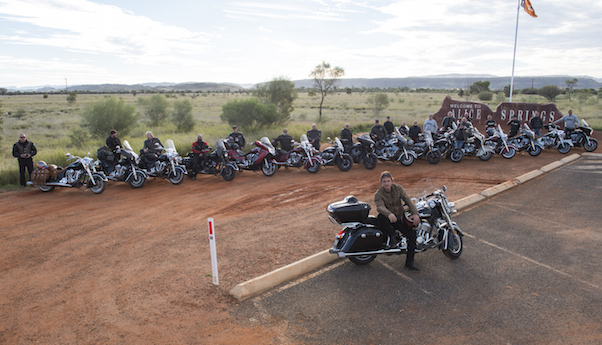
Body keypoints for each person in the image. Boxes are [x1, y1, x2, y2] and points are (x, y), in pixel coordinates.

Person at [374, 171, 421, 271]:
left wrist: (415, 213)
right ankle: (392, 237)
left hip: (398, 218)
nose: (386, 183)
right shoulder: (378, 194)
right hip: (387, 220)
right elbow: (380, 207)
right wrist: (389, 214)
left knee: (412, 235)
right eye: (384, 181)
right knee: (381, 216)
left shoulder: (398, 188)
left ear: (392, 181)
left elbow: (407, 200)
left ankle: (409, 263)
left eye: (388, 181)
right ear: (381, 183)